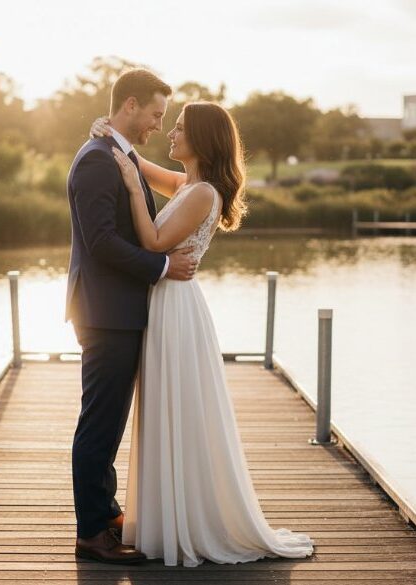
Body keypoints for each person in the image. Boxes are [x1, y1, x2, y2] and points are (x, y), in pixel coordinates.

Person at [90, 100, 315, 567]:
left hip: (174, 308)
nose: (170, 134)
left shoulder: (200, 193)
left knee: (177, 407)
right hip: (171, 302)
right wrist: (111, 137)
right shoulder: (190, 184)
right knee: (171, 406)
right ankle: (170, 513)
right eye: (169, 126)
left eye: (178, 129)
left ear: (201, 139)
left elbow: (153, 241)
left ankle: (185, 521)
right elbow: (141, 164)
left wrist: (132, 188)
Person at [64, 68, 198, 564]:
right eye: (156, 115)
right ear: (131, 105)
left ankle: (106, 510)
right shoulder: (97, 161)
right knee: (99, 423)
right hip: (105, 313)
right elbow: (100, 243)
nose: (159, 125)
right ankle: (91, 532)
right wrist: (163, 265)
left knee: (111, 418)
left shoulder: (117, 154)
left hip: (118, 309)